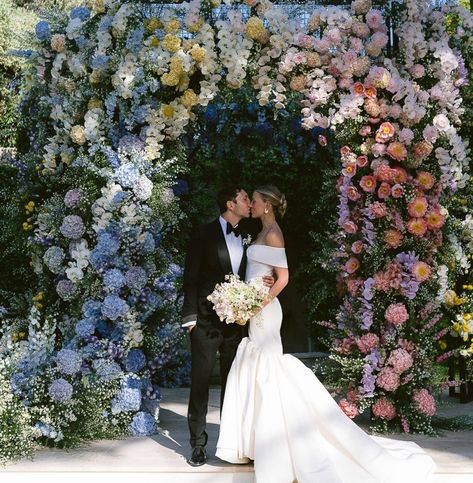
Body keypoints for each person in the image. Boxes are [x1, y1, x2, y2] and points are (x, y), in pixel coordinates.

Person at [216, 185, 436, 483]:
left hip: (265, 311)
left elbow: (283, 277)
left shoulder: (273, 233)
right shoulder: (260, 233)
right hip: (256, 307)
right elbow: (262, 270)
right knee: (258, 368)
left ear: (266, 205)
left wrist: (260, 301)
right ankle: (258, 441)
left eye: (254, 201)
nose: (251, 205)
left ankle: (280, 442)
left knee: (268, 368)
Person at [181, 186, 273, 467]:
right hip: (206, 324)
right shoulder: (204, 234)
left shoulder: (251, 236)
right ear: (230, 204)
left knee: (234, 386)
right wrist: (190, 319)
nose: (249, 204)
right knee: (200, 382)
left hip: (237, 325)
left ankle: (230, 443)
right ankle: (197, 444)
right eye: (245, 199)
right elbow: (191, 277)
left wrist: (264, 281)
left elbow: (255, 270)